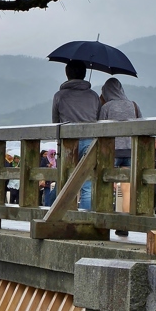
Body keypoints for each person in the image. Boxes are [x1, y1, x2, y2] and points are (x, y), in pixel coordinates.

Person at [52, 60, 101, 209]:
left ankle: (62, 215)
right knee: (87, 183)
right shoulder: (93, 96)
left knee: (65, 181)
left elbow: (55, 122)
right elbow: (98, 119)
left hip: (68, 142)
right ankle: (85, 219)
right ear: (84, 74)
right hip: (90, 142)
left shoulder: (60, 96)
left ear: (67, 74)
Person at [99, 77, 141, 235]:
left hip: (112, 151)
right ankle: (124, 226)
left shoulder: (107, 106)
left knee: (106, 186)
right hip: (130, 150)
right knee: (127, 189)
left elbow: (99, 128)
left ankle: (105, 223)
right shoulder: (133, 105)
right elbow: (142, 124)